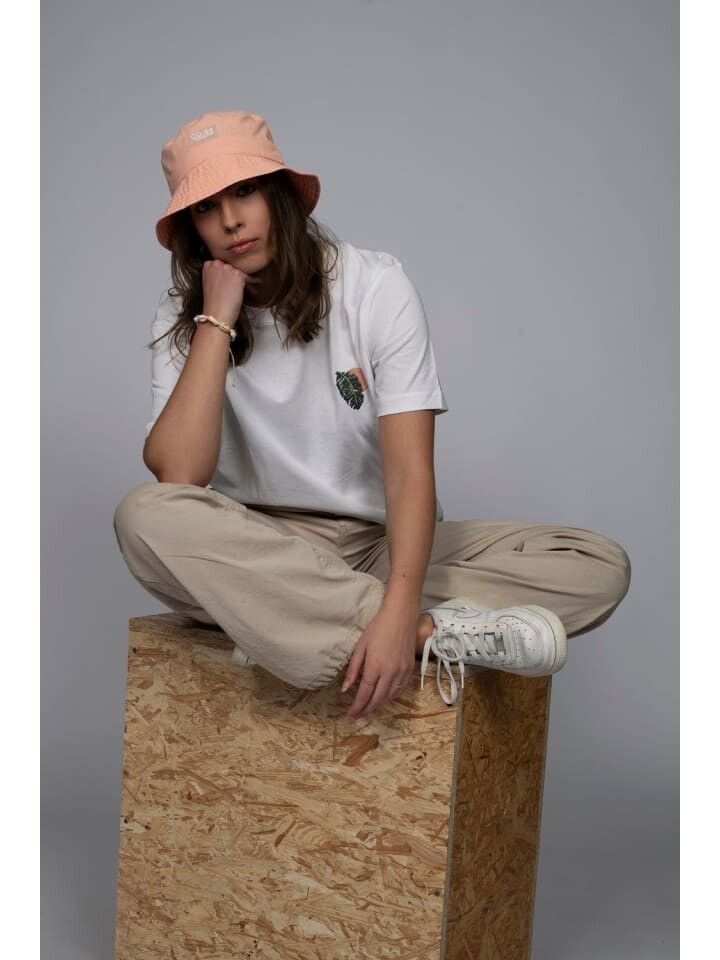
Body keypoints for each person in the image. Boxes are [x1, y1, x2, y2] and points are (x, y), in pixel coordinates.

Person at [113, 109, 631, 721]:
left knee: (595, 565)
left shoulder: (373, 286)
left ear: (279, 194)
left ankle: (300, 620)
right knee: (143, 517)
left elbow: (409, 475)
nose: (230, 220)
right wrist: (216, 319)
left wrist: (398, 605)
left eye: (245, 191)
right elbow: (179, 475)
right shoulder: (184, 313)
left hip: (375, 545)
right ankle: (435, 633)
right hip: (256, 546)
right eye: (206, 207)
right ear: (191, 229)